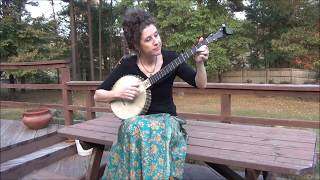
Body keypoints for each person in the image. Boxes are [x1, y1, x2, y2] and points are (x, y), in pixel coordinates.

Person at [94, 8, 209, 180]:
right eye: (148, 39)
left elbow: (200, 84)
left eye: (156, 35)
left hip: (167, 121)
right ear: (136, 45)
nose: (156, 41)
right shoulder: (127, 65)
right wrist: (118, 93)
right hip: (138, 124)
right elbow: (98, 95)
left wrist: (200, 64)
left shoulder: (172, 58)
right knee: (132, 127)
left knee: (135, 128)